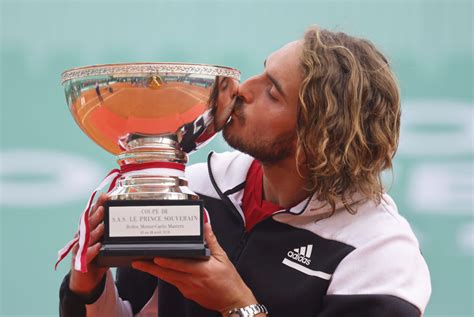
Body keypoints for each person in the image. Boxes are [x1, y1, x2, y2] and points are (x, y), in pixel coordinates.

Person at [59, 26, 431, 317]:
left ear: (318, 138)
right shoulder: (194, 188)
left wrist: (237, 304)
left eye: (273, 92)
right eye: (262, 72)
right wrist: (89, 286)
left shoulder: (378, 253)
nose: (242, 90)